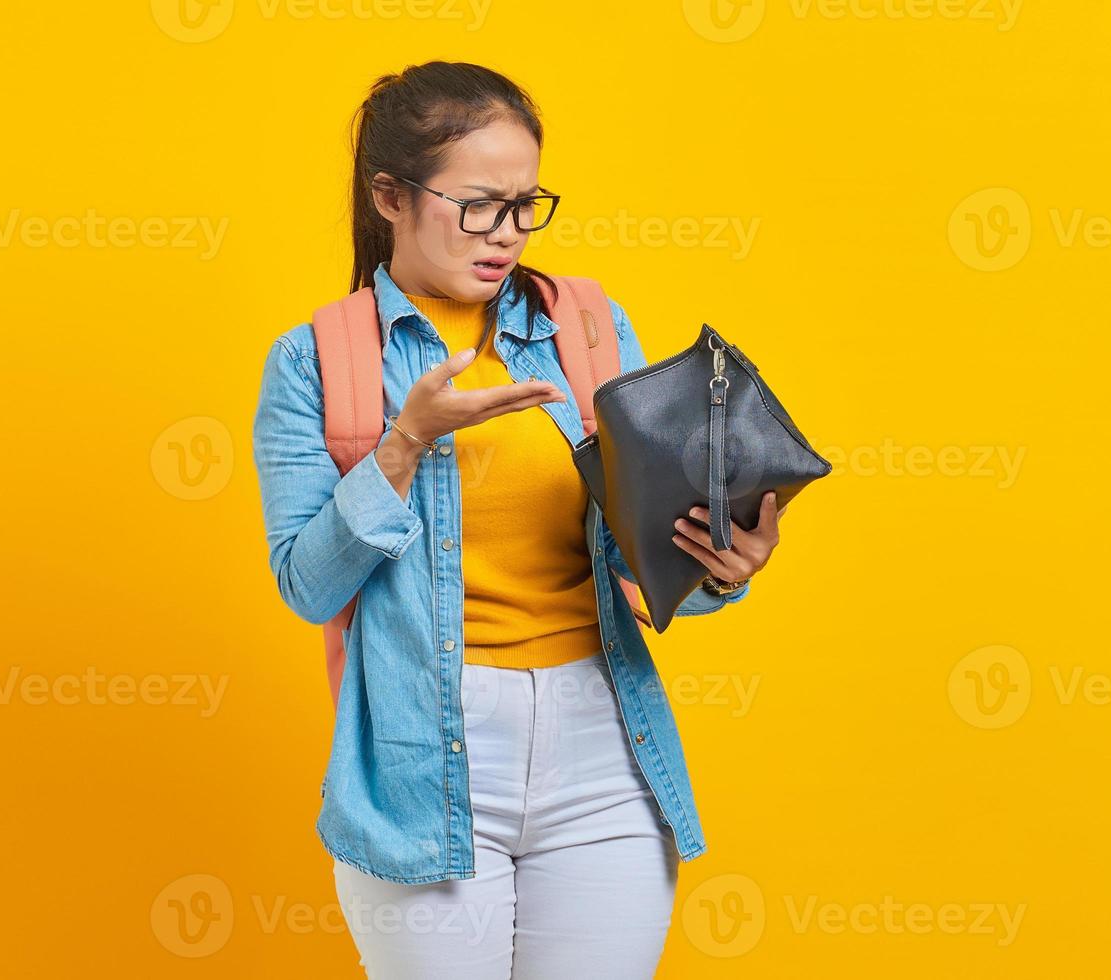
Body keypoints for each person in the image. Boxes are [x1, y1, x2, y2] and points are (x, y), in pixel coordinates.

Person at [252, 60, 786, 979]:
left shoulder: (586, 327)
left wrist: (719, 569)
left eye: (526, 205)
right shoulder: (316, 361)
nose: (507, 235)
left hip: (602, 746)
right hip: (427, 756)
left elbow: (644, 559)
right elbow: (308, 585)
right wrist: (404, 444)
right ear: (390, 194)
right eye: (479, 206)